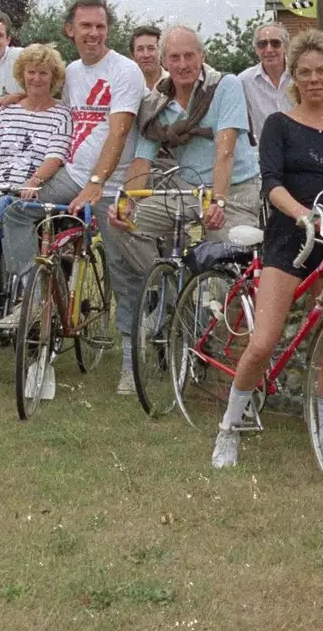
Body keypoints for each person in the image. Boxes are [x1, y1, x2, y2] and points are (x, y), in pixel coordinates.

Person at [210, 29, 323, 470]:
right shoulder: (279, 124)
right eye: (305, 72)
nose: (313, 79)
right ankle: (229, 428)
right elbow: (271, 184)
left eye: (321, 72)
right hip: (290, 239)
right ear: (295, 78)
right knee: (264, 341)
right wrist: (302, 213)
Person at [0, 0, 146, 376]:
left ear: (109, 30)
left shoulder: (124, 71)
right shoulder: (72, 72)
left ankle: (131, 363)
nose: (93, 33)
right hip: (73, 175)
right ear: (70, 30)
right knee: (15, 212)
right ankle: (33, 297)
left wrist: (98, 183)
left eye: (100, 26)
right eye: (86, 26)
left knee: (121, 268)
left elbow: (118, 132)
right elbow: (50, 97)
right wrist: (17, 97)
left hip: (111, 183)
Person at [110, 25, 263, 394]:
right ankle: (174, 294)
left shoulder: (223, 86)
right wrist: (127, 202)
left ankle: (225, 354)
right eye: (174, 57)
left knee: (224, 255)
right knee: (122, 226)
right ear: (164, 62)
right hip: (186, 188)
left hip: (235, 188)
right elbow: (142, 161)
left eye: (189, 55)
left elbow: (225, 147)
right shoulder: (156, 103)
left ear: (202, 56)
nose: (182, 64)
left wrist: (220, 200)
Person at [0, 44, 74, 378]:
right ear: (22, 75)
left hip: (29, 194)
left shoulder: (61, 113)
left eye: (44, 73)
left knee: (15, 218)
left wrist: (33, 181)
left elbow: (56, 155)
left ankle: (27, 306)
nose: (37, 78)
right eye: (31, 72)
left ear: (53, 77)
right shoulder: (7, 111)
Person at [238, 21, 293, 146]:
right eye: (262, 44)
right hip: (265, 154)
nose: (269, 49)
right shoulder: (244, 81)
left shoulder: (300, 75)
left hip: (301, 151)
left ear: (286, 47)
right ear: (256, 49)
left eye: (275, 43)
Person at [130, 24, 163, 92]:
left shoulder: (174, 82)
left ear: (161, 52)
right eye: (140, 49)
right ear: (132, 55)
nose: (146, 55)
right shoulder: (125, 85)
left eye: (151, 48)